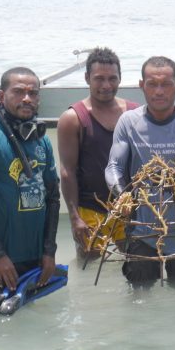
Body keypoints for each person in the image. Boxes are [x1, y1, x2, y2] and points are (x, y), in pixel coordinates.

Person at [105, 56, 175, 283]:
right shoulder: (128, 122)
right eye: (152, 84)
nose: (159, 91)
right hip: (142, 226)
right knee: (140, 294)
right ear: (142, 85)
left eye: (166, 84)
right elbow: (113, 167)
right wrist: (121, 194)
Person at [0, 67, 60, 312]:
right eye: (18, 92)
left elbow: (52, 197)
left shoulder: (43, 140)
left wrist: (49, 251)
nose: (27, 98)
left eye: (33, 93)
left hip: (37, 256)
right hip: (0, 259)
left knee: (35, 322)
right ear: (1, 96)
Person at [57, 47, 139, 259]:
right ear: (87, 78)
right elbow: (67, 172)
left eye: (112, 78)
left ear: (120, 79)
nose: (106, 85)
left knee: (138, 264)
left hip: (127, 206)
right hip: (89, 209)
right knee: (89, 269)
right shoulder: (72, 118)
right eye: (99, 79)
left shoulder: (135, 113)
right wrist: (75, 218)